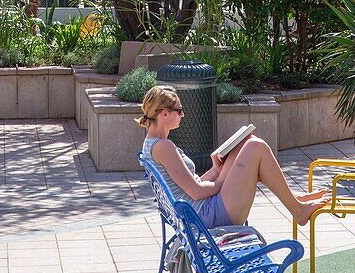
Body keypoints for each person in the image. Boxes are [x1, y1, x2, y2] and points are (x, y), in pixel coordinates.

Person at [138, 85, 328, 229]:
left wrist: (215, 170)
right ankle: (297, 209)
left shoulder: (154, 144)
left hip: (199, 212)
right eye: (179, 111)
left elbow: (188, 187)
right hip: (205, 217)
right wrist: (223, 178)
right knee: (256, 147)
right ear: (164, 113)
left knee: (248, 140)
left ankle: (294, 199)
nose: (183, 114)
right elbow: (196, 192)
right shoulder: (163, 147)